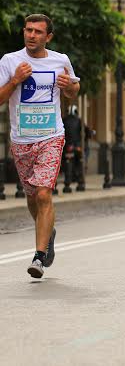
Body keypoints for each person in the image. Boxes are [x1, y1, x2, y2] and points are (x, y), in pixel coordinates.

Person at [0, 14, 80, 278]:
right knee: (32, 197)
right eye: (28, 30)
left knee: (44, 194)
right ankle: (48, 233)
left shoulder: (60, 60)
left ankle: (38, 256)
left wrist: (70, 87)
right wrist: (14, 81)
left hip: (51, 137)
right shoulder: (10, 61)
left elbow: (73, 90)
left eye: (37, 32)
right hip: (21, 140)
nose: (31, 35)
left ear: (49, 37)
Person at [62, 105, 86, 193]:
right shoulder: (79, 121)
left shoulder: (63, 120)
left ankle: (67, 183)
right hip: (77, 146)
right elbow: (86, 130)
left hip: (67, 146)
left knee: (66, 162)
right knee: (80, 162)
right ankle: (80, 182)